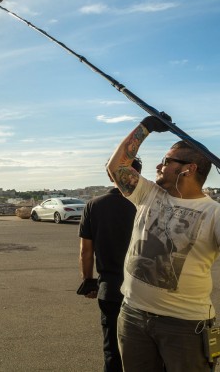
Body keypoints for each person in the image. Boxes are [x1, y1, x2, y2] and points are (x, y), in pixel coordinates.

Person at [106, 115, 220, 371]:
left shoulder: (217, 213)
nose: (158, 166)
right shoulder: (150, 193)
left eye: (166, 161)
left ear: (189, 169)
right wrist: (145, 127)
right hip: (132, 314)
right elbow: (116, 168)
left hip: (185, 325)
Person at [79, 157, 142, 372]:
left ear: (110, 175)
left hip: (111, 288)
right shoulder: (149, 203)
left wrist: (89, 281)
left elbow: (86, 251)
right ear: (138, 175)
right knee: (149, 353)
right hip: (147, 289)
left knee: (113, 350)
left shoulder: (94, 205)